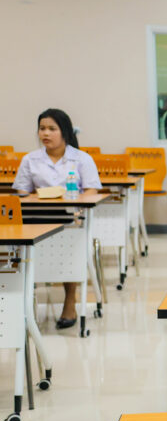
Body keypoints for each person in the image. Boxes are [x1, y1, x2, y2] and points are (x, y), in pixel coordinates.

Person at [13, 108, 101, 329]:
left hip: (69, 218)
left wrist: (73, 199)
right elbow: (21, 192)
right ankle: (22, 302)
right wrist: (36, 197)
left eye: (52, 128)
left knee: (70, 247)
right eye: (42, 128)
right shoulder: (30, 159)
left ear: (65, 132)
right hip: (35, 217)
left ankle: (70, 300)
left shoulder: (81, 159)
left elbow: (91, 190)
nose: (45, 133)